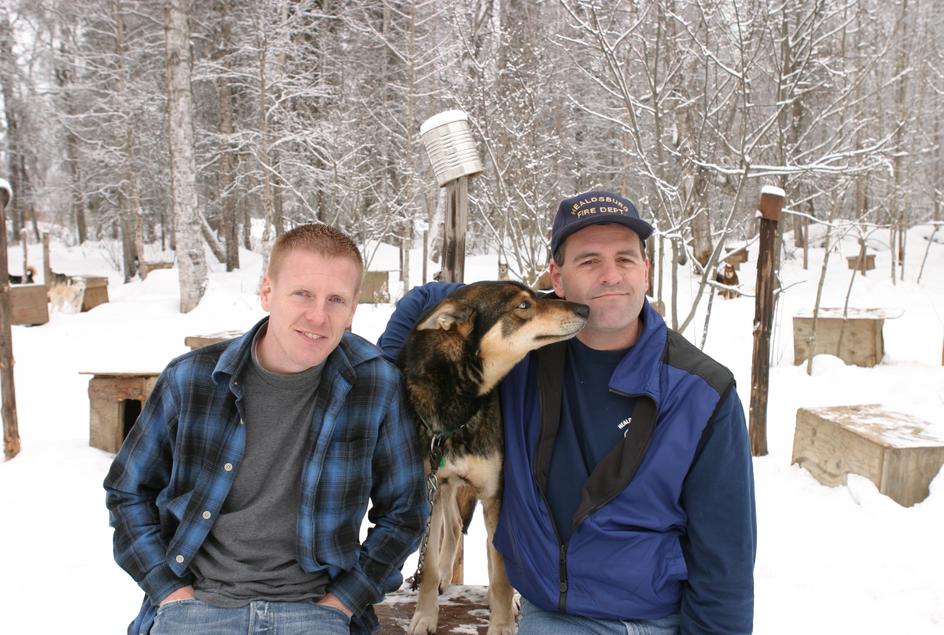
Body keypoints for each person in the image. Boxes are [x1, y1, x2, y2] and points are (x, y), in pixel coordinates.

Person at [379, 190, 756, 634]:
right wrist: (391, 378)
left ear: (646, 271)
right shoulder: (523, 348)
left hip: (657, 619)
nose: (611, 275)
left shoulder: (702, 393)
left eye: (625, 259)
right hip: (554, 616)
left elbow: (725, 564)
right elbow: (428, 299)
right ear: (557, 278)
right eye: (589, 261)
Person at [105, 224, 427, 635]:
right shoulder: (191, 379)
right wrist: (168, 590)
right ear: (267, 293)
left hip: (314, 608)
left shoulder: (376, 383)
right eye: (302, 294)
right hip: (199, 603)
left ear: (352, 309)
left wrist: (344, 601)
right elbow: (128, 491)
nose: (318, 316)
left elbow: (405, 512)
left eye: (336, 300)